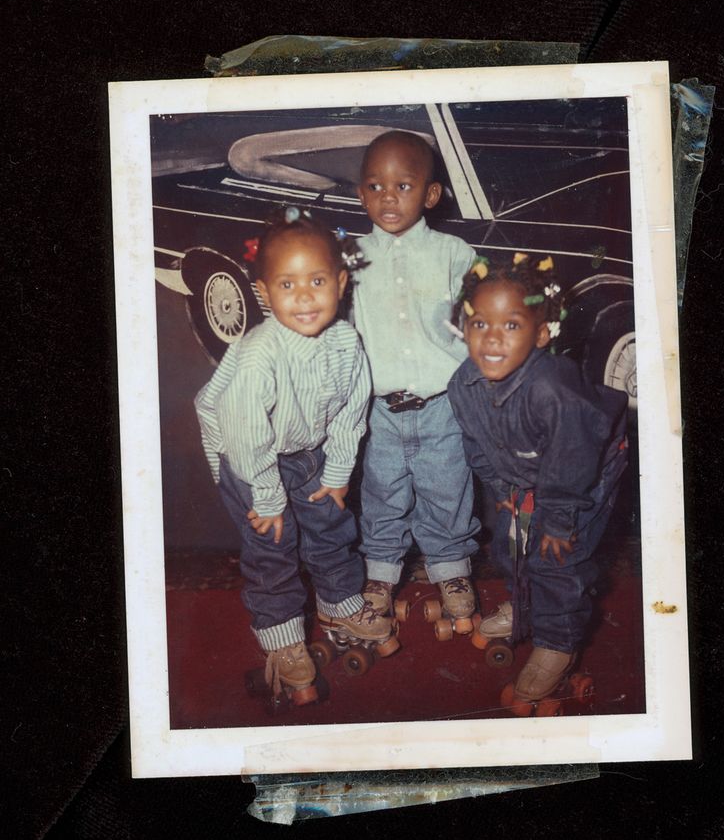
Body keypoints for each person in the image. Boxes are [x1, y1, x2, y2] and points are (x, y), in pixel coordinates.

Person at [194, 208, 399, 705]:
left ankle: (339, 604)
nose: (304, 297)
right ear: (263, 293)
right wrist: (267, 497)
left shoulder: (347, 342)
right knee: (274, 547)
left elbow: (353, 411)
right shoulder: (259, 353)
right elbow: (246, 435)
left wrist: (336, 473)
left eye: (317, 281)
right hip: (247, 458)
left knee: (330, 522)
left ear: (341, 282)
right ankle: (282, 637)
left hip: (307, 447)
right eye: (287, 285)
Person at [448, 255, 631, 714]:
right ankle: (526, 607)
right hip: (527, 472)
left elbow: (570, 465)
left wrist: (557, 519)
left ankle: (558, 642)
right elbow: (476, 445)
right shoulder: (462, 384)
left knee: (557, 558)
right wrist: (503, 492)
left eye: (510, 326)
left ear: (542, 333)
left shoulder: (551, 388)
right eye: (479, 324)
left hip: (586, 469)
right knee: (510, 545)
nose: (491, 338)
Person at [348, 130, 483, 639]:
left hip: (443, 404)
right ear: (361, 194)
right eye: (375, 186)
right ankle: (380, 575)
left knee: (447, 489)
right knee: (382, 492)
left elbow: (478, 320)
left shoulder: (454, 253)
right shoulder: (349, 257)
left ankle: (450, 571)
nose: (388, 197)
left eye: (403, 185)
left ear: (430, 195)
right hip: (379, 408)